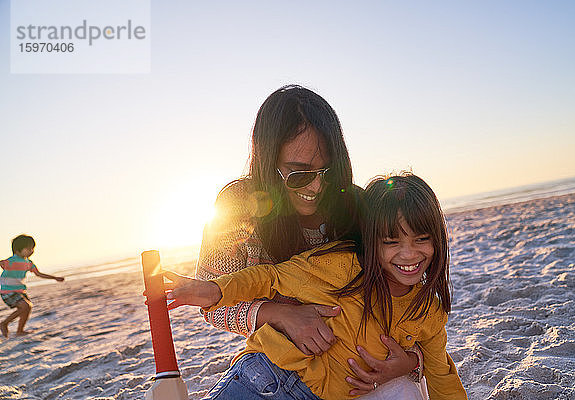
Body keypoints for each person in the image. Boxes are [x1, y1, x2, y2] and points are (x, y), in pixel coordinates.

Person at [188, 85, 423, 395]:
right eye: (299, 174)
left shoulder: (355, 207)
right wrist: (281, 315)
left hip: (356, 376)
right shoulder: (238, 206)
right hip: (275, 370)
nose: (316, 186)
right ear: (267, 164)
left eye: (328, 172)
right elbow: (213, 304)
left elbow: (409, 300)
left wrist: (410, 362)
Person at [166, 173, 467, 399]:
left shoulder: (429, 311)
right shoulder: (341, 267)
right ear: (372, 243)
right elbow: (271, 277)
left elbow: (441, 376)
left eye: (421, 240)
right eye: (391, 242)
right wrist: (215, 290)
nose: (409, 254)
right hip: (269, 378)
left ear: (438, 239)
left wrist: (412, 363)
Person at [1, 234, 65, 338]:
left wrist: (55, 278)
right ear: (17, 250)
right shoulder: (11, 261)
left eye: (32, 248)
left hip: (20, 290)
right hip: (7, 290)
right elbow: (2, 264)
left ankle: (19, 331)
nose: (32, 251)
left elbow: (39, 274)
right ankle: (4, 323)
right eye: (29, 248)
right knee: (25, 306)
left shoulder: (29, 263)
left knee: (27, 308)